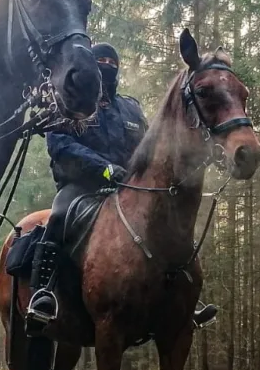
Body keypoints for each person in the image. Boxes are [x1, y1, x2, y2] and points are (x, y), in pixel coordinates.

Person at [26, 44, 221, 329]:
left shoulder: (130, 107)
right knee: (58, 217)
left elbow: (150, 147)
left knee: (169, 223)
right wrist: (102, 168)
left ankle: (182, 301)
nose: (108, 65)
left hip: (127, 187)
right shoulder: (72, 102)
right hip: (81, 187)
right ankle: (42, 294)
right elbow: (60, 145)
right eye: (101, 60)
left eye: (112, 61)